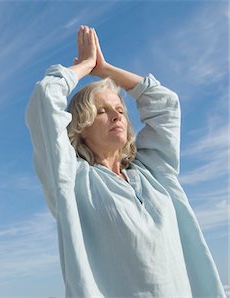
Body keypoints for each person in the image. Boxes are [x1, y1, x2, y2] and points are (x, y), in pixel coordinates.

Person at [25, 25, 225, 297]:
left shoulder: (154, 170)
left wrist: (105, 70)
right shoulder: (71, 179)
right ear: (80, 126)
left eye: (119, 110)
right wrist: (85, 65)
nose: (117, 116)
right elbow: (45, 99)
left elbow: (166, 103)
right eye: (102, 112)